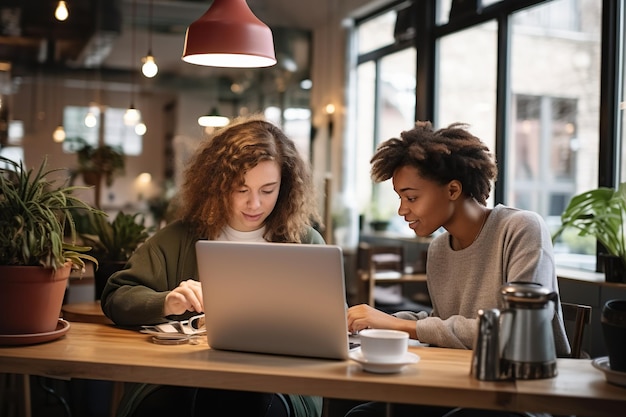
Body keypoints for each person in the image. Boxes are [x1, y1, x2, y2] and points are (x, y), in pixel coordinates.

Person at [101, 115, 324, 417]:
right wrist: (167, 300)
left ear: (284, 187)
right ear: (217, 185)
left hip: (280, 383)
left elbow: (330, 322)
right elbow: (116, 296)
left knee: (242, 400)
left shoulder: (305, 242)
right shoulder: (181, 237)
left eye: (267, 190)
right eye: (241, 190)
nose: (254, 204)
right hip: (179, 377)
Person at [345, 121, 570, 417]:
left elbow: (515, 332)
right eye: (401, 198)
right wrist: (378, 322)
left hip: (524, 395)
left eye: (411, 197)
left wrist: (401, 325)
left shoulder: (521, 228)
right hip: (462, 386)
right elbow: (445, 323)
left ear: (452, 189)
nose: (402, 210)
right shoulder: (439, 249)